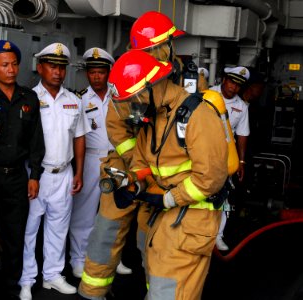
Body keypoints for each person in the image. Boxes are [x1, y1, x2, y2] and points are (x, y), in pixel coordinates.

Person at [78, 11, 207, 300]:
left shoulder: (189, 77)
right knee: (108, 232)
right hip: (127, 169)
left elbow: (198, 119)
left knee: (154, 239)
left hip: (165, 175)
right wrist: (139, 164)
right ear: (160, 45)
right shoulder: (129, 73)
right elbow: (116, 127)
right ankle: (92, 292)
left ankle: (155, 292)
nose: (171, 46)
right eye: (168, 41)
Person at [108, 49, 228, 300]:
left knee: (169, 292)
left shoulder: (199, 115)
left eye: (135, 98)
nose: (134, 106)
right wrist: (134, 185)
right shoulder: (154, 119)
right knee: (158, 287)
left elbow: (211, 178)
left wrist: (169, 198)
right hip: (164, 221)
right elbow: (143, 163)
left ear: (153, 87)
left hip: (191, 223)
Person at [18, 42, 90, 300]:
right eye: (52, 66)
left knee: (58, 228)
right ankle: (26, 279)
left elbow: (79, 138)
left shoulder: (74, 100)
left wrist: (79, 172)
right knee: (29, 229)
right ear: (40, 68)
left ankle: (52, 275)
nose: (58, 72)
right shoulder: (28, 99)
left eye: (61, 67)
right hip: (36, 175)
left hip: (64, 173)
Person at [0, 40, 45, 299]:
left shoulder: (29, 97)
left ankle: (11, 284)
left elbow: (36, 140)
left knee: (14, 233)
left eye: (15, 64)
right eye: (4, 65)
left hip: (17, 175)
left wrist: (35, 175)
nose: (11, 69)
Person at [68, 47, 133, 277]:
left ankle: (114, 258)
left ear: (109, 73)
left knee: (116, 212)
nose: (96, 76)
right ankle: (78, 259)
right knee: (84, 213)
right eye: (92, 72)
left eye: (101, 72)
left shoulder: (121, 97)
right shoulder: (80, 99)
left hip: (117, 157)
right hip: (91, 158)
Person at [210, 66, 250, 251]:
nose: (233, 87)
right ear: (224, 79)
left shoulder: (241, 107)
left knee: (224, 198)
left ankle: (218, 236)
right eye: (231, 82)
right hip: (201, 153)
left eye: (238, 85)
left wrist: (241, 162)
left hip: (226, 157)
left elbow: (242, 135)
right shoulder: (207, 95)